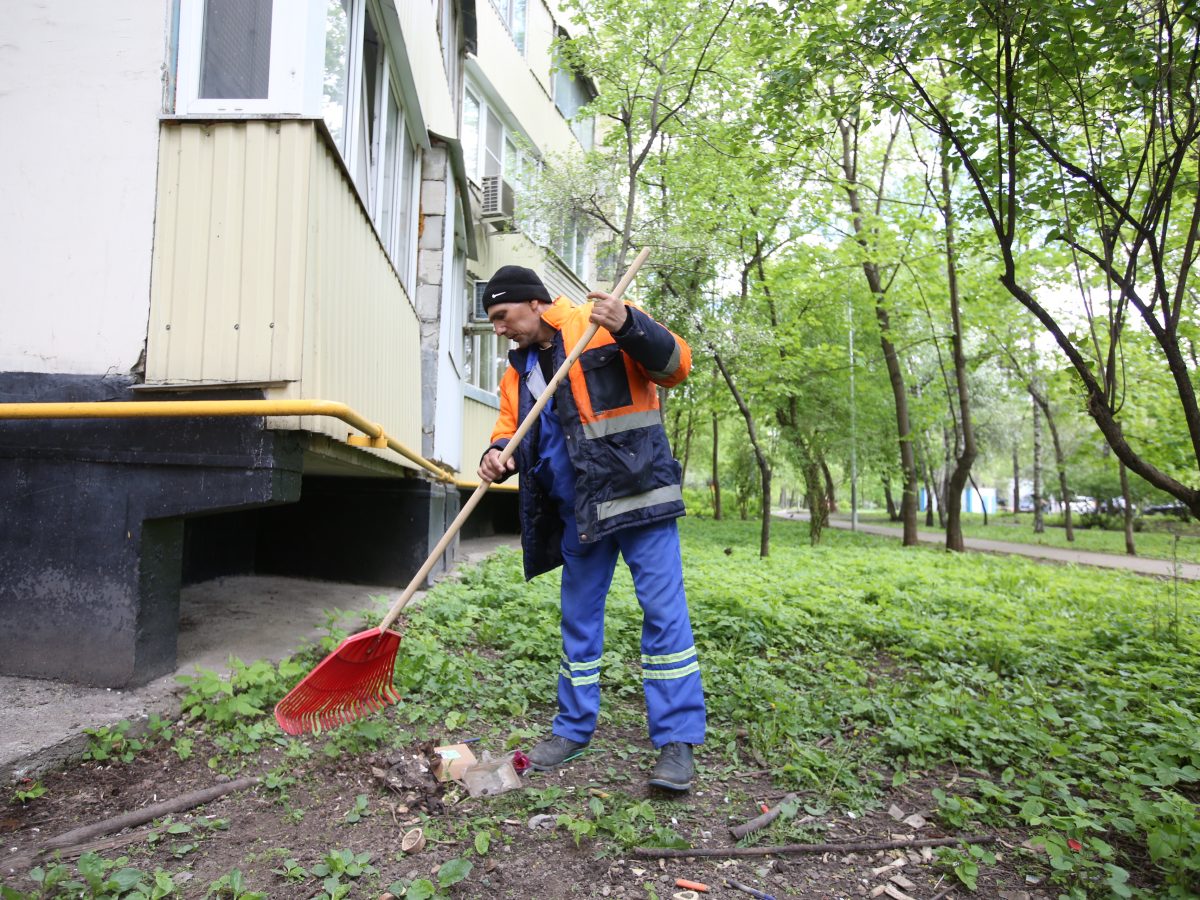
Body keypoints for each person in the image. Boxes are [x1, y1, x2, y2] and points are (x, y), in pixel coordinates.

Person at [477, 264, 705, 791]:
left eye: (501, 315)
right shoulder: (518, 370)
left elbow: (676, 367)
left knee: (665, 619)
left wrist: (629, 324)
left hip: (640, 499)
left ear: (534, 303)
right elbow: (507, 431)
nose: (498, 328)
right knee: (578, 624)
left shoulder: (598, 320)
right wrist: (494, 455)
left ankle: (676, 742)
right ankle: (572, 729)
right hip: (577, 514)